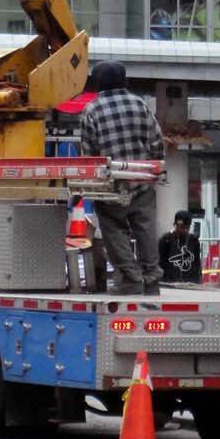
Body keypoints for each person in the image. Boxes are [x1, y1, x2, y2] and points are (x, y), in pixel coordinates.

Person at [79, 61, 164, 296]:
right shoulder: (140, 104)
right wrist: (154, 166)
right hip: (141, 180)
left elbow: (90, 153)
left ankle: (130, 278)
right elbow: (156, 140)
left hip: (111, 185)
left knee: (115, 231)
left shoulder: (92, 109)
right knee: (145, 229)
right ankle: (151, 279)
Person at [159, 210, 202, 284]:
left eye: (187, 228)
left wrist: (199, 280)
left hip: (191, 282)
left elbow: (197, 263)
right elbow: (160, 262)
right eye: (181, 227)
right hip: (170, 282)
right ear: (175, 225)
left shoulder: (193, 240)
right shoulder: (166, 239)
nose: (184, 231)